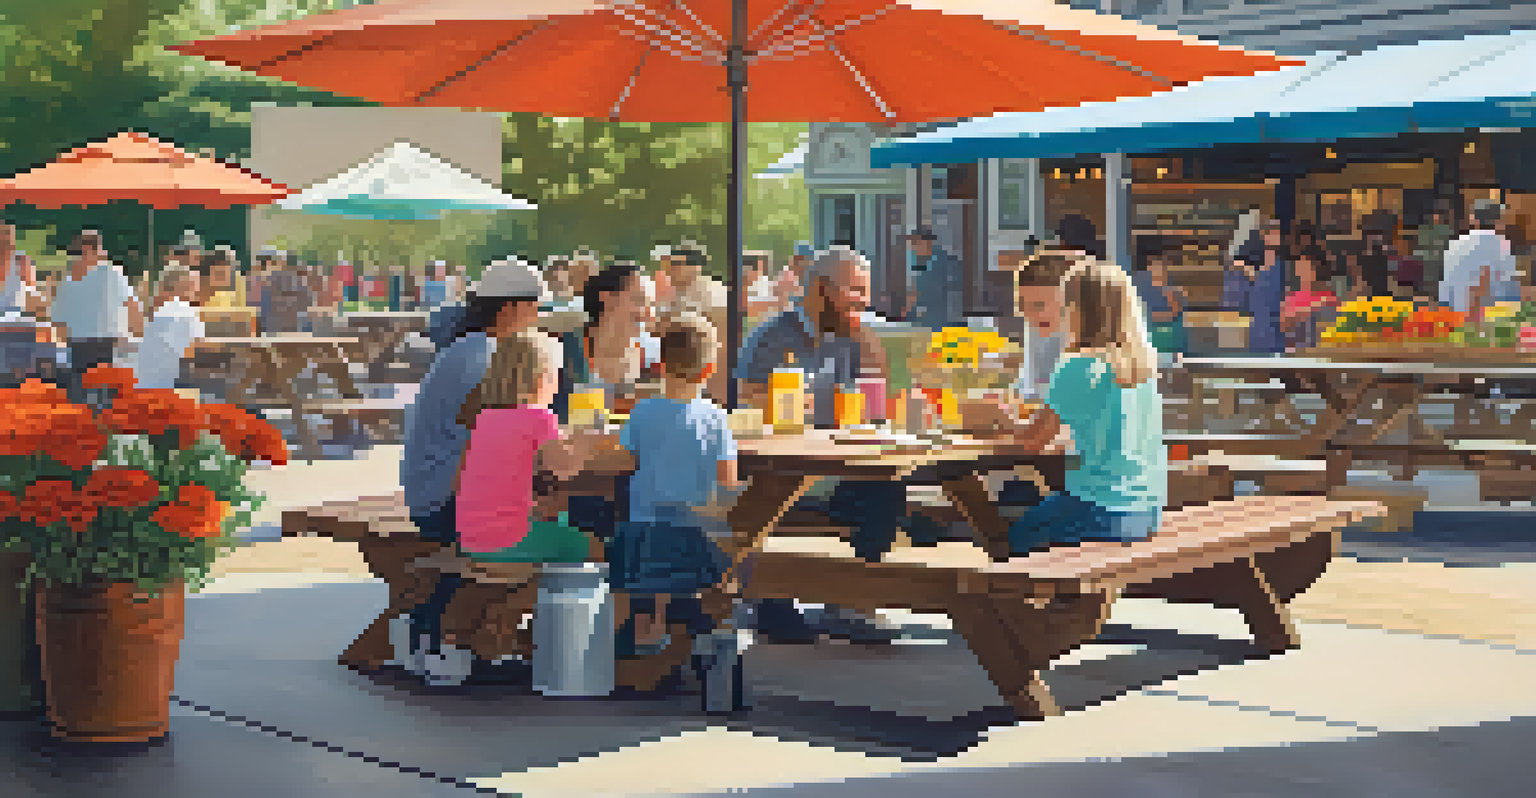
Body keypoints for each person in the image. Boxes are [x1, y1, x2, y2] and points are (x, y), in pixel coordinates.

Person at [736, 247, 913, 645]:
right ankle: (767, 594)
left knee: (886, 486)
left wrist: (867, 342)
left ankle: (850, 601)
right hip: (777, 466)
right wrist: (788, 405)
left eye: (865, 291)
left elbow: (875, 400)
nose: (864, 301)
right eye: (855, 290)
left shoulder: (851, 336)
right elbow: (746, 396)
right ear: (820, 288)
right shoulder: (773, 336)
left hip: (834, 464)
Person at [399, 258, 550, 664]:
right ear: (511, 308)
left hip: (436, 491)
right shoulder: (483, 356)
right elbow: (501, 437)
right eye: (536, 307)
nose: (539, 317)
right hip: (443, 500)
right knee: (568, 529)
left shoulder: (473, 348)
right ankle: (469, 637)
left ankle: (470, 636)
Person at [963, 258, 1166, 555]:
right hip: (1146, 512)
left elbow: (1033, 442)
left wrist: (1000, 418)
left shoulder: (1078, 366)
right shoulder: (1141, 366)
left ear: (1079, 311)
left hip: (1098, 510)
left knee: (1008, 541)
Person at [601, 312, 737, 658]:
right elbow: (728, 483)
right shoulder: (716, 418)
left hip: (642, 533)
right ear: (709, 370)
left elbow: (624, 463)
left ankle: (640, 637)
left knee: (637, 570)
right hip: (695, 538)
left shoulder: (642, 411)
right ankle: (683, 633)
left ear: (660, 365)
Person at [451, 329, 597, 577]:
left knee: (556, 519)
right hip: (510, 540)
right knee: (596, 547)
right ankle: (568, 600)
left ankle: (548, 594)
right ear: (543, 378)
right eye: (557, 376)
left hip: (471, 540)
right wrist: (585, 440)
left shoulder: (485, 418)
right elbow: (565, 469)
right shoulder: (539, 417)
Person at [51, 230, 144, 395]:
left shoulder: (66, 283)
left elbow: (59, 326)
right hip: (108, 345)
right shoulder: (111, 273)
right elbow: (132, 306)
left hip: (78, 347)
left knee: (81, 399)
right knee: (108, 399)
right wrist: (141, 336)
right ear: (97, 250)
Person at [656, 242, 728, 401]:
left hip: (709, 380)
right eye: (670, 264)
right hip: (688, 379)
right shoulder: (678, 294)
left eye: (676, 264)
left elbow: (722, 343)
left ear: (696, 267)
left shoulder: (713, 292)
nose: (671, 270)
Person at [1441, 199, 1518, 319]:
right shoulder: (1502, 246)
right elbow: (1510, 290)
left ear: (1473, 219)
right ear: (1498, 221)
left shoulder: (1454, 245)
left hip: (1456, 316)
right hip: (1492, 318)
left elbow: (1445, 290)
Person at [133, 268, 206, 391]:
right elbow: (199, 347)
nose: (196, 292)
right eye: (193, 287)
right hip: (171, 385)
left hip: (145, 384)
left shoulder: (158, 315)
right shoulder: (186, 311)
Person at [1223, 219, 1287, 355]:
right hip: (1256, 332)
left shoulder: (1283, 268)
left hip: (1276, 332)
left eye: (1276, 233)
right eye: (1270, 233)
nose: (1274, 237)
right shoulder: (1249, 270)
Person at [1130, 239, 1187, 354]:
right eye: (1164, 260)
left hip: (1164, 343)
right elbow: (1171, 314)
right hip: (1152, 343)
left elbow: (1176, 314)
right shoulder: (1138, 282)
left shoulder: (1167, 282)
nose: (1167, 264)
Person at [904, 227, 966, 332]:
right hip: (928, 324)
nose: (914, 249)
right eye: (912, 245)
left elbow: (950, 297)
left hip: (945, 325)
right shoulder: (922, 264)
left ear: (927, 243)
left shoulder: (948, 264)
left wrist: (916, 296)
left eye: (916, 244)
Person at [1280, 247, 1339, 351]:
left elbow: (1333, 324)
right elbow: (1283, 325)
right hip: (1295, 351)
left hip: (1322, 350)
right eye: (1300, 268)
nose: (1303, 272)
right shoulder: (1291, 298)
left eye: (1307, 268)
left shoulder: (1329, 297)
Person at [259, 250, 316, 334]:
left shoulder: (269, 282)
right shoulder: (300, 283)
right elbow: (308, 302)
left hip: (272, 329)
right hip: (297, 329)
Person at [0, 221, 42, 317]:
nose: (4, 242)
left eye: (7, 238)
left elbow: (33, 293)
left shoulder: (22, 262)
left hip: (17, 316)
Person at [1416, 210, 1454, 293]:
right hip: (1429, 261)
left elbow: (1449, 244)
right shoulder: (1424, 230)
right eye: (1434, 216)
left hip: (1442, 261)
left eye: (1438, 217)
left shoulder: (1446, 230)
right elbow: (1422, 246)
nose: (1436, 219)